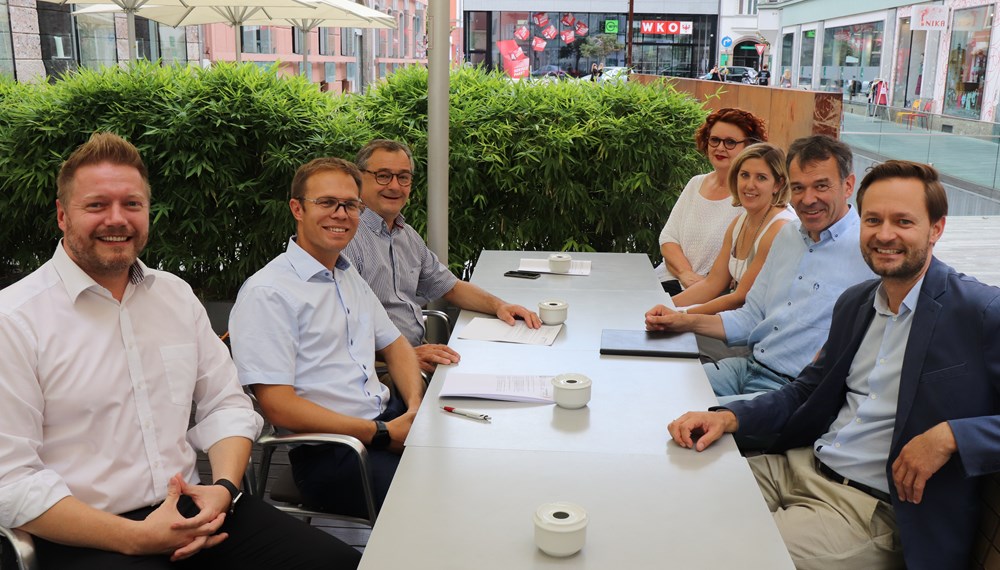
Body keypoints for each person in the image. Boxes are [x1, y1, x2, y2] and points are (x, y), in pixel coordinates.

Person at [0, 132, 361, 569]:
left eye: (132, 204)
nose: (118, 219)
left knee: (339, 563)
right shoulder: (15, 320)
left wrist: (223, 489)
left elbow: (225, 405)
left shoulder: (173, 295)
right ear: (62, 215)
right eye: (96, 205)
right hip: (89, 534)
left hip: (200, 507)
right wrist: (136, 538)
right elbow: (10, 481)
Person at [667, 160, 1000, 569]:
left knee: (725, 557)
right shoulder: (858, 303)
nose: (885, 234)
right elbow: (806, 390)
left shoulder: (980, 311)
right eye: (873, 219)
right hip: (799, 465)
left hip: (869, 508)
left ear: (936, 229)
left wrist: (952, 435)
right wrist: (728, 417)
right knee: (674, 494)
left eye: (903, 221)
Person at [229, 157, 425, 517]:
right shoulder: (268, 292)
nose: (341, 213)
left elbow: (396, 345)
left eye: (350, 205)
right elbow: (277, 405)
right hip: (332, 452)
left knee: (469, 463)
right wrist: (379, 433)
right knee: (428, 503)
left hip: (387, 419)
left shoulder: (346, 275)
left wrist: (414, 409)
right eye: (326, 203)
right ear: (297, 208)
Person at [646, 135, 875, 403]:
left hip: (792, 390)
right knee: (651, 386)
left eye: (821, 186)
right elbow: (751, 316)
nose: (808, 198)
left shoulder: (868, 250)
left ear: (848, 185)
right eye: (799, 188)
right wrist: (681, 320)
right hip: (748, 367)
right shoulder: (788, 235)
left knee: (674, 410)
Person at [343, 139, 541, 374]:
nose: (395, 186)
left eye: (403, 177)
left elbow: (450, 287)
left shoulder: (406, 234)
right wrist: (402, 356)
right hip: (376, 369)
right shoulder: (346, 238)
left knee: (502, 368)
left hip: (416, 354)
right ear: (358, 178)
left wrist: (501, 306)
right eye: (383, 176)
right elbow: (341, 328)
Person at [671, 143, 796, 315]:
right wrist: (665, 305)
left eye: (761, 178)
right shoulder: (739, 222)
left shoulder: (780, 227)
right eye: (744, 175)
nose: (749, 185)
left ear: (778, 184)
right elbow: (712, 284)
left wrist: (679, 315)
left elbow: (739, 297)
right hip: (740, 319)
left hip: (766, 329)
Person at [654, 108, 768, 296]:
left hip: (712, 297)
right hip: (667, 280)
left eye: (730, 142)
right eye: (714, 140)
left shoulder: (752, 197)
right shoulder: (696, 183)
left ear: (749, 147)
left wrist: (704, 285)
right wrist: (687, 275)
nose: (720, 148)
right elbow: (668, 239)